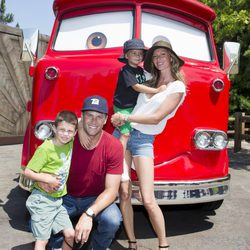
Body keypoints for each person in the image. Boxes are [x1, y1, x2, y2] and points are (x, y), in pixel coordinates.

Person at [111, 39, 186, 250]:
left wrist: (127, 119)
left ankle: (163, 245)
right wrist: (119, 117)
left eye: (163, 54)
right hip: (123, 134)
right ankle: (132, 241)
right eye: (155, 55)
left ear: (171, 58)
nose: (158, 59)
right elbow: (128, 100)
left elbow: (156, 118)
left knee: (148, 198)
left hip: (143, 140)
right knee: (124, 191)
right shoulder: (149, 79)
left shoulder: (177, 87)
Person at [40, 95, 123, 250]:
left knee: (112, 220)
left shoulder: (114, 146)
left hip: (94, 198)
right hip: (64, 196)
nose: (94, 121)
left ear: (106, 120)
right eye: (89, 116)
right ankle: (58, 246)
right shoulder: (66, 136)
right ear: (82, 117)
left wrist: (89, 214)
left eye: (99, 117)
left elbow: (112, 191)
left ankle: (97, 247)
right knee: (38, 220)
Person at [24, 110, 78, 250]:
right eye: (62, 130)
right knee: (42, 241)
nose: (65, 134)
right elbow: (28, 171)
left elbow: (80, 122)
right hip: (42, 200)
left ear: (75, 132)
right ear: (54, 128)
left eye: (69, 131)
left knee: (71, 234)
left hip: (57, 201)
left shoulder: (70, 142)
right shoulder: (45, 149)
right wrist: (46, 178)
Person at [113, 38, 166, 182]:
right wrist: (156, 90)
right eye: (134, 53)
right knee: (124, 135)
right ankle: (121, 167)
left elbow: (147, 81)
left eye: (140, 54)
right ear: (126, 56)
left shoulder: (141, 70)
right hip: (123, 108)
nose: (137, 56)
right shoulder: (126, 71)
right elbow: (137, 87)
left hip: (134, 108)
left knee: (131, 133)